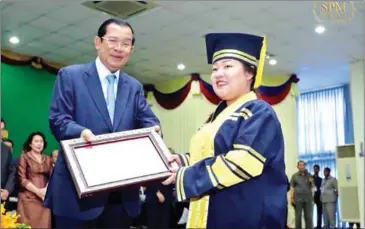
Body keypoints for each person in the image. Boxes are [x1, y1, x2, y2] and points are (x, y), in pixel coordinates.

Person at [44, 18, 161, 229]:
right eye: (113, 40)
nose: (119, 48)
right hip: (77, 194)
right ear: (98, 42)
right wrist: (81, 133)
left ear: (131, 49)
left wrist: (154, 132)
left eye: (126, 43)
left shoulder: (134, 86)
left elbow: (149, 121)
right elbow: (58, 120)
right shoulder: (71, 76)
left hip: (120, 196)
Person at [163, 33, 287, 228]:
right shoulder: (216, 117)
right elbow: (210, 152)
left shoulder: (259, 112)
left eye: (228, 66)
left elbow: (242, 162)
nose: (218, 74)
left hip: (246, 219)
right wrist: (182, 161)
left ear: (249, 73)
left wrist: (186, 176)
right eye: (214, 69)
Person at [17, 132, 53, 228]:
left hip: (44, 199)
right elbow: (22, 178)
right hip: (28, 199)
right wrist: (38, 191)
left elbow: (53, 177)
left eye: (41, 141)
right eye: (36, 141)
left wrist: (45, 191)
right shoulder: (24, 157)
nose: (39, 144)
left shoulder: (48, 159)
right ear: (30, 144)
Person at [290, 160, 313, 229]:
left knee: (308, 217)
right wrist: (291, 198)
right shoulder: (294, 176)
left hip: (308, 199)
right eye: (300, 165)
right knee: (298, 217)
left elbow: (312, 186)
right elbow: (292, 187)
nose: (302, 166)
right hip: (298, 199)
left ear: (305, 166)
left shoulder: (309, 175)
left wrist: (311, 180)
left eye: (303, 165)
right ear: (297, 166)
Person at [313, 164, 323, 228]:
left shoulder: (321, 179)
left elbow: (322, 188)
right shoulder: (310, 178)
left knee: (319, 213)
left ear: (319, 170)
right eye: (314, 168)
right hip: (311, 197)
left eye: (317, 169)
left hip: (319, 197)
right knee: (310, 212)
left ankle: (319, 226)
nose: (315, 170)